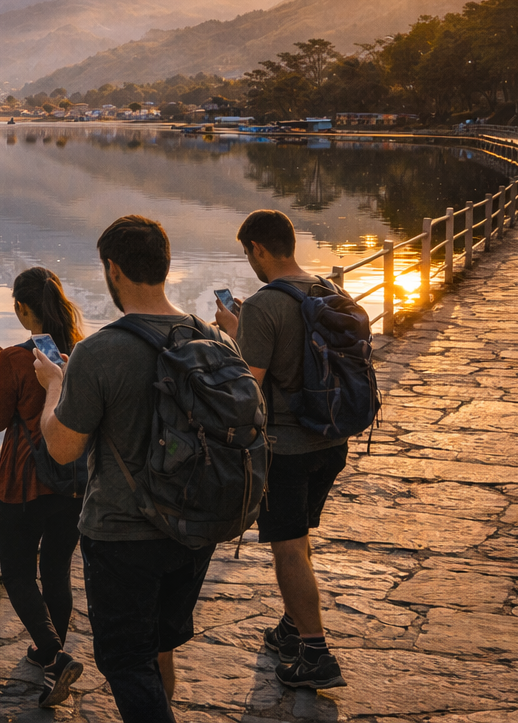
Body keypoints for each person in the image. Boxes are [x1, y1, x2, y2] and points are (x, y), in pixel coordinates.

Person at [34, 215, 225, 723]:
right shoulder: (211, 339)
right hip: (194, 527)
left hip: (123, 535)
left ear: (113, 271)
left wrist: (54, 385)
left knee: (124, 659)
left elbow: (62, 449)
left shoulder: (99, 352)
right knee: (159, 647)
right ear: (165, 265)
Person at [213, 209, 349, 690]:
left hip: (287, 447)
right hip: (333, 439)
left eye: (248, 252)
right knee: (300, 534)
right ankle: (293, 626)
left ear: (259, 250)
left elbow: (248, 389)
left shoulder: (264, 306)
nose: (249, 261)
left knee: (287, 548)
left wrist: (235, 335)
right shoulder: (329, 291)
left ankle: (314, 651)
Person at [0, 267, 87, 707]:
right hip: (72, 480)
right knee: (56, 570)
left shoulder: (14, 361)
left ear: (22, 309)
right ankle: (45, 652)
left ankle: (56, 658)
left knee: (18, 574)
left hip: (24, 484)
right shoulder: (79, 351)